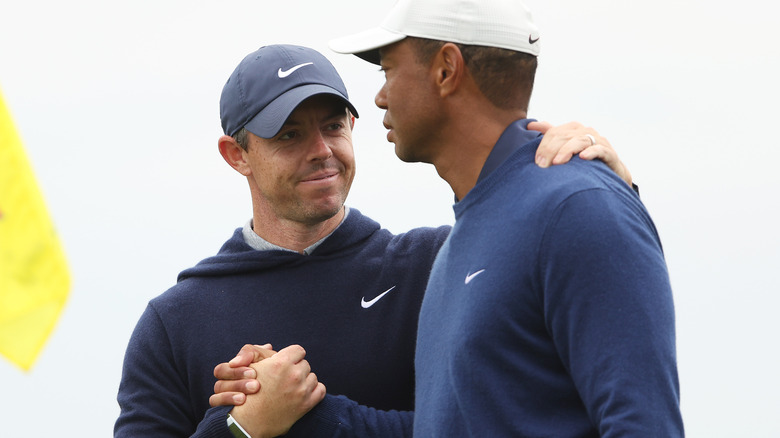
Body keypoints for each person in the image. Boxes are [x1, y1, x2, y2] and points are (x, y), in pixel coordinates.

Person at [212, 0, 684, 436]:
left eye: (389, 69)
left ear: (445, 70)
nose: (378, 97)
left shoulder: (577, 207)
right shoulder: (469, 236)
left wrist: (610, 200)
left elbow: (642, 424)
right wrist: (298, 414)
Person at [114, 44, 632, 438]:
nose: (322, 150)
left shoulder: (442, 264)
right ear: (236, 154)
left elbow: (513, 418)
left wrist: (611, 186)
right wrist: (241, 426)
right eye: (289, 135)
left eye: (333, 126)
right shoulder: (174, 323)